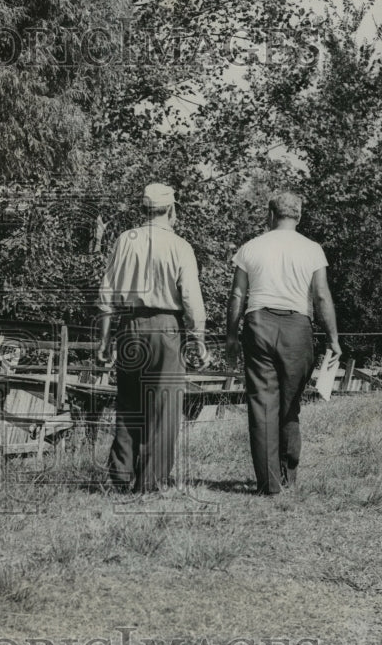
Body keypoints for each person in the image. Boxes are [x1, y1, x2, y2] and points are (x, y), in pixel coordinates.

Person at [96, 183, 208, 495]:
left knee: (129, 401)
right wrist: (197, 339)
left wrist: (105, 341)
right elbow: (191, 299)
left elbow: (106, 294)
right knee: (164, 407)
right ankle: (149, 482)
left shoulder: (124, 241)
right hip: (165, 326)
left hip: (129, 324)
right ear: (171, 210)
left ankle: (120, 474)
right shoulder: (180, 245)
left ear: (142, 209)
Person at [226, 192, 340, 495]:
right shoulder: (312, 249)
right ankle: (289, 475)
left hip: (258, 324)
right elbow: (321, 296)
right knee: (290, 405)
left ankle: (269, 485)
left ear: (270, 215)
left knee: (262, 405)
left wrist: (231, 336)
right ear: (299, 216)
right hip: (296, 328)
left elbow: (237, 295)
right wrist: (333, 339)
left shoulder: (251, 247)